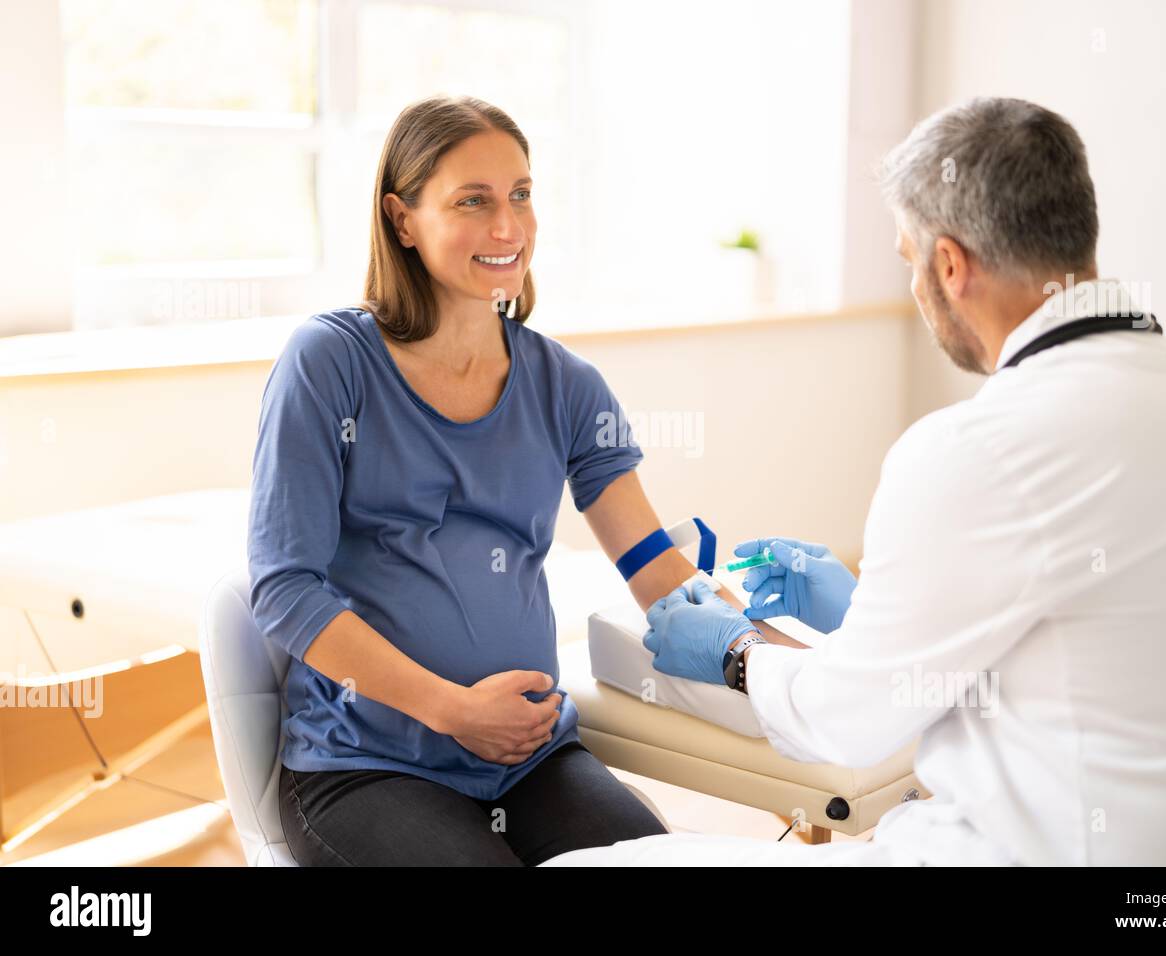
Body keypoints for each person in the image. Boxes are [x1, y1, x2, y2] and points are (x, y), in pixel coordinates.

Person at [543, 97, 1166, 867]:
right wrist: (866, 620)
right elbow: (1088, 654)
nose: (912, 287)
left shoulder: (976, 448)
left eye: (909, 260)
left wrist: (734, 650)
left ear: (949, 264)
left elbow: (844, 726)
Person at [247, 95, 795, 865]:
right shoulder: (330, 363)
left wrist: (780, 661)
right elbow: (284, 589)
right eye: (473, 201)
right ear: (402, 220)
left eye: (521, 195)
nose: (508, 227)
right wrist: (452, 710)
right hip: (363, 767)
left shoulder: (564, 384)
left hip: (527, 757)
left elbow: (655, 571)